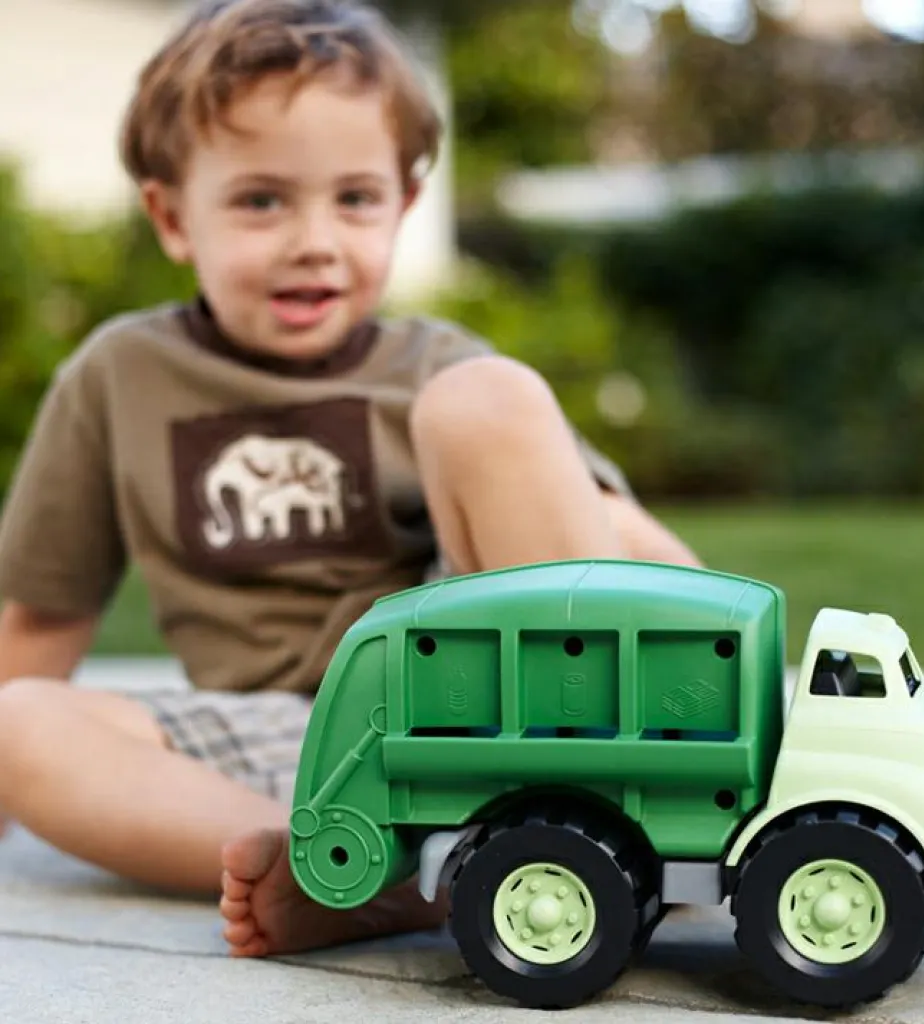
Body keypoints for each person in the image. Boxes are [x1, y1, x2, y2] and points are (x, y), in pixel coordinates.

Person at [0, 0, 700, 959]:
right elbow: (41, 614)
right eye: (261, 201)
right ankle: (348, 868)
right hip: (280, 744)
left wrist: (716, 699)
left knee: (488, 399)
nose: (314, 240)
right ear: (171, 215)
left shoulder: (438, 366)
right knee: (16, 721)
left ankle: (601, 805)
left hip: (474, 716)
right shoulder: (120, 378)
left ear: (404, 206)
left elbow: (614, 533)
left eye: (355, 199)